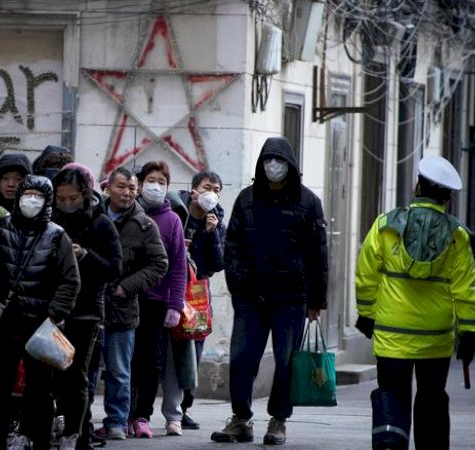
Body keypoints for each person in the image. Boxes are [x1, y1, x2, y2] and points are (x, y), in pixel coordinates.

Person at [355, 155, 475, 450]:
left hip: (391, 336)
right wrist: (469, 332)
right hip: (434, 340)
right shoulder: (458, 236)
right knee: (432, 399)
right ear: (448, 197)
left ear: (418, 187)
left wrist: (366, 313)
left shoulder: (385, 226)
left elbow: (366, 274)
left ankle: (390, 445)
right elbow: (465, 290)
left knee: (392, 397)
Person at [212, 136, 328, 446]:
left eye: (278, 161)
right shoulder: (247, 199)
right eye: (267, 160)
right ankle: (241, 419)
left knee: (286, 360)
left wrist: (316, 299)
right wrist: (237, 285)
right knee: (241, 358)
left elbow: (318, 254)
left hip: (291, 298)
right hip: (250, 297)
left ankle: (278, 420)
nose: (272, 166)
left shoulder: (307, 202)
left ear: (290, 165)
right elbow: (232, 245)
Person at [0, 175, 81, 450]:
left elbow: (70, 280)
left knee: (40, 391)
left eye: (39, 195)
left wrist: (55, 313)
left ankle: (39, 441)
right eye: (28, 193)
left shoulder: (57, 236)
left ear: (48, 201)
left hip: (39, 327)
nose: (32, 200)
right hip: (4, 324)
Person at [51, 168, 122, 450]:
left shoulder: (102, 224)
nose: (67, 203)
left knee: (78, 376)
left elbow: (114, 268)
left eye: (73, 198)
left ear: (84, 194)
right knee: (52, 376)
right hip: (54, 310)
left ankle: (76, 433)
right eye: (61, 198)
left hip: (87, 312)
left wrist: (85, 256)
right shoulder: (51, 220)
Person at [95, 167, 168, 440]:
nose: (126, 193)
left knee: (119, 370)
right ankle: (81, 421)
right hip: (91, 306)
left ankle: (116, 422)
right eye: (121, 187)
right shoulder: (94, 217)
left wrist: (128, 286)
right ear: (108, 188)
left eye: (131, 188)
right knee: (88, 371)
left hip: (122, 308)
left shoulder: (145, 225)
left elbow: (160, 264)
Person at [129, 161, 188, 438]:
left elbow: (178, 265)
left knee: (151, 361)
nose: (156, 186)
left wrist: (175, 304)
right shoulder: (129, 212)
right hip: (128, 298)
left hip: (157, 301)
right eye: (151, 180)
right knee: (126, 359)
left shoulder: (172, 219)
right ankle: (123, 415)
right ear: (140, 184)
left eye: (162, 182)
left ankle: (142, 415)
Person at [176, 170, 226, 429]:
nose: (212, 194)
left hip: (197, 291)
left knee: (194, 347)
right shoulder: (176, 211)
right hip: (172, 286)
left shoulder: (217, 220)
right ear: (193, 189)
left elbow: (219, 263)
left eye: (217, 190)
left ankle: (184, 408)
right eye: (207, 187)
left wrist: (212, 233)